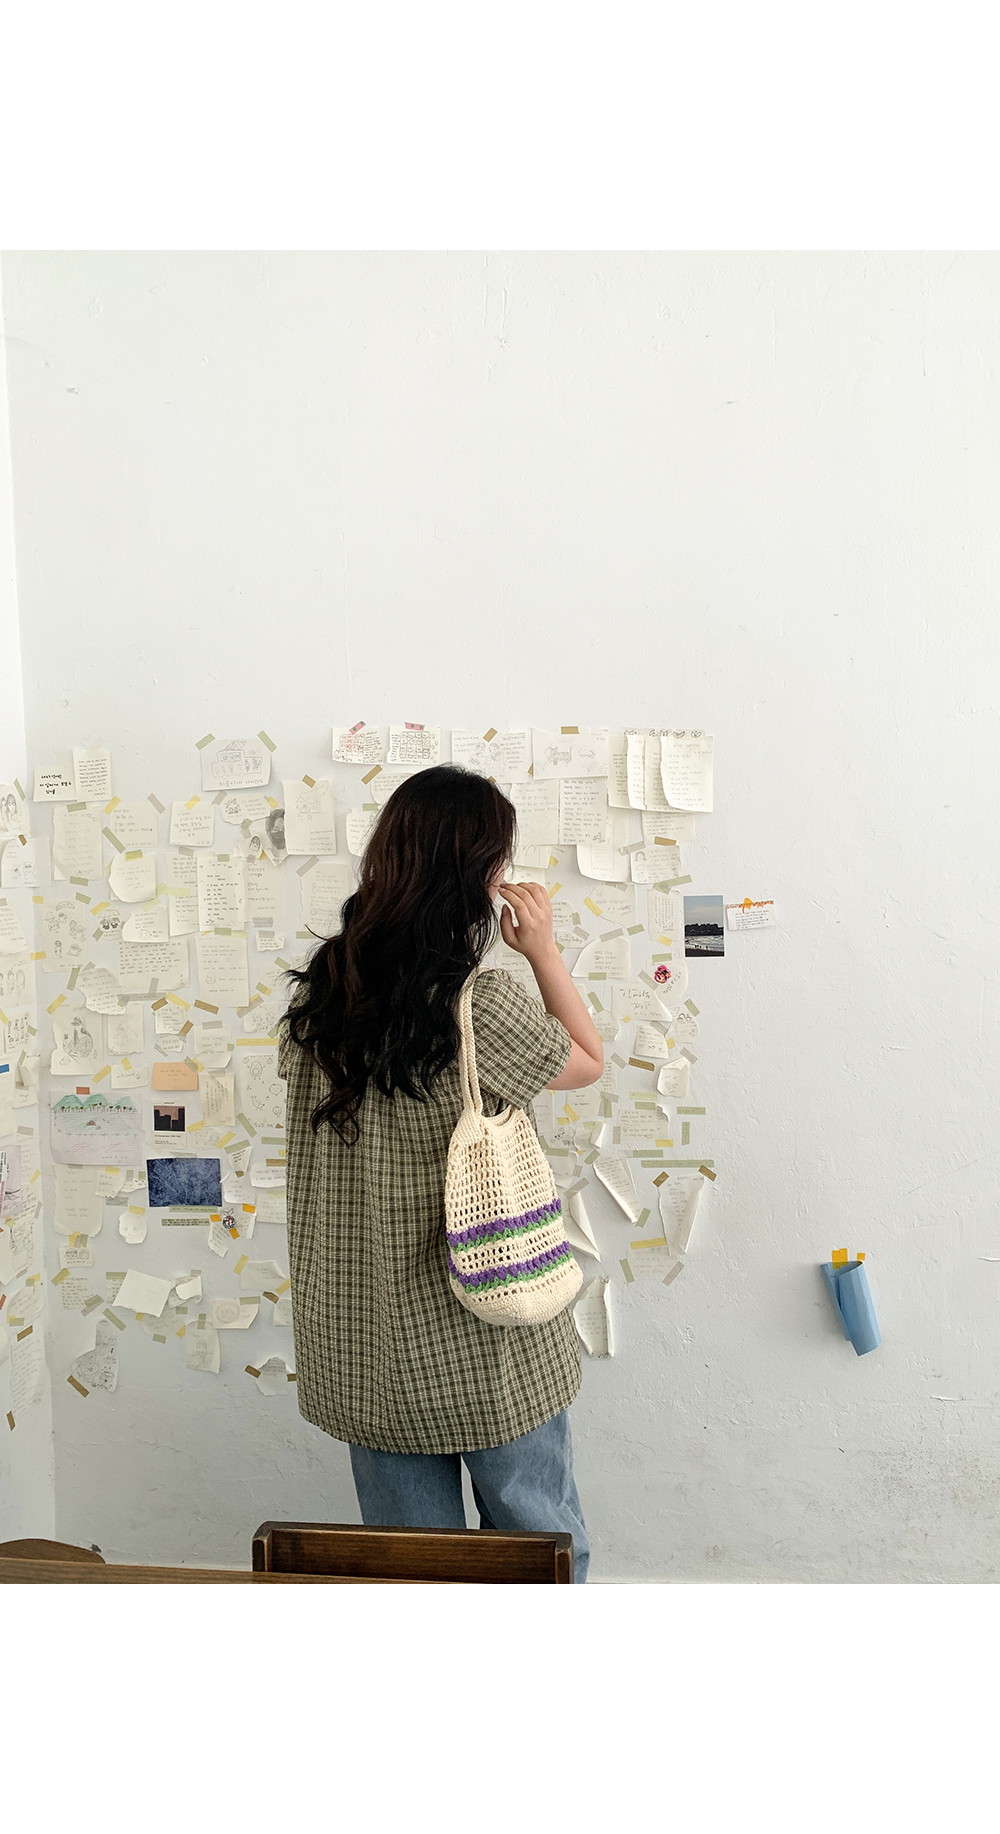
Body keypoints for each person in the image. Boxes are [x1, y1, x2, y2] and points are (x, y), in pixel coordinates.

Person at [277, 764, 605, 1582]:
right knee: (537, 1557)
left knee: (414, 1575)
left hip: (363, 1343)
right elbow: (587, 1060)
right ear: (478, 873)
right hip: (486, 1331)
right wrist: (543, 951)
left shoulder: (322, 997)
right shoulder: (476, 1003)